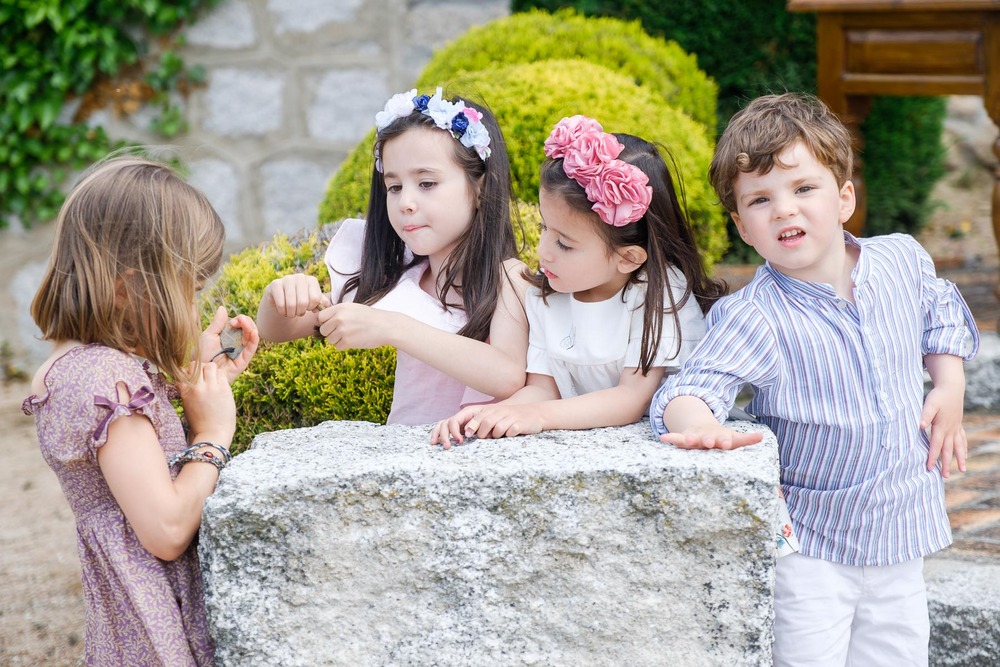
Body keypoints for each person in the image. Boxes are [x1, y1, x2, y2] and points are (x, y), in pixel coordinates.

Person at [650, 92, 979, 665]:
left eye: (804, 189)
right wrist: (704, 428)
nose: (784, 209)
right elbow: (690, 387)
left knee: (898, 653)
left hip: (901, 526)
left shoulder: (900, 260)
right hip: (810, 541)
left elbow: (942, 311)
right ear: (741, 227)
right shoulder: (756, 317)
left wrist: (948, 387)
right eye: (760, 200)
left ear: (845, 197)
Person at [22, 156, 260, 666]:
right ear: (130, 285)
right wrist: (213, 432)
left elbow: (141, 458)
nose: (193, 307)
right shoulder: (105, 379)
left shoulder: (75, 369)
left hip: (127, 617)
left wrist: (194, 383)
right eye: (189, 289)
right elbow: (168, 529)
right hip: (155, 623)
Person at [430, 115, 725, 444]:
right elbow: (544, 388)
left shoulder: (659, 292)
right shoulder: (549, 292)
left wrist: (537, 416)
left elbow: (630, 399)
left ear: (627, 258)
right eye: (544, 228)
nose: (543, 251)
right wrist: (487, 415)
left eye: (565, 244)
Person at [257, 87, 529, 425]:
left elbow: (506, 373)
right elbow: (279, 330)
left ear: (480, 189)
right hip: (402, 460)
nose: (405, 203)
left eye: (427, 184)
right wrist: (279, 297)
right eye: (395, 187)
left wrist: (394, 326)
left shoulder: (508, 278)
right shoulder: (399, 275)